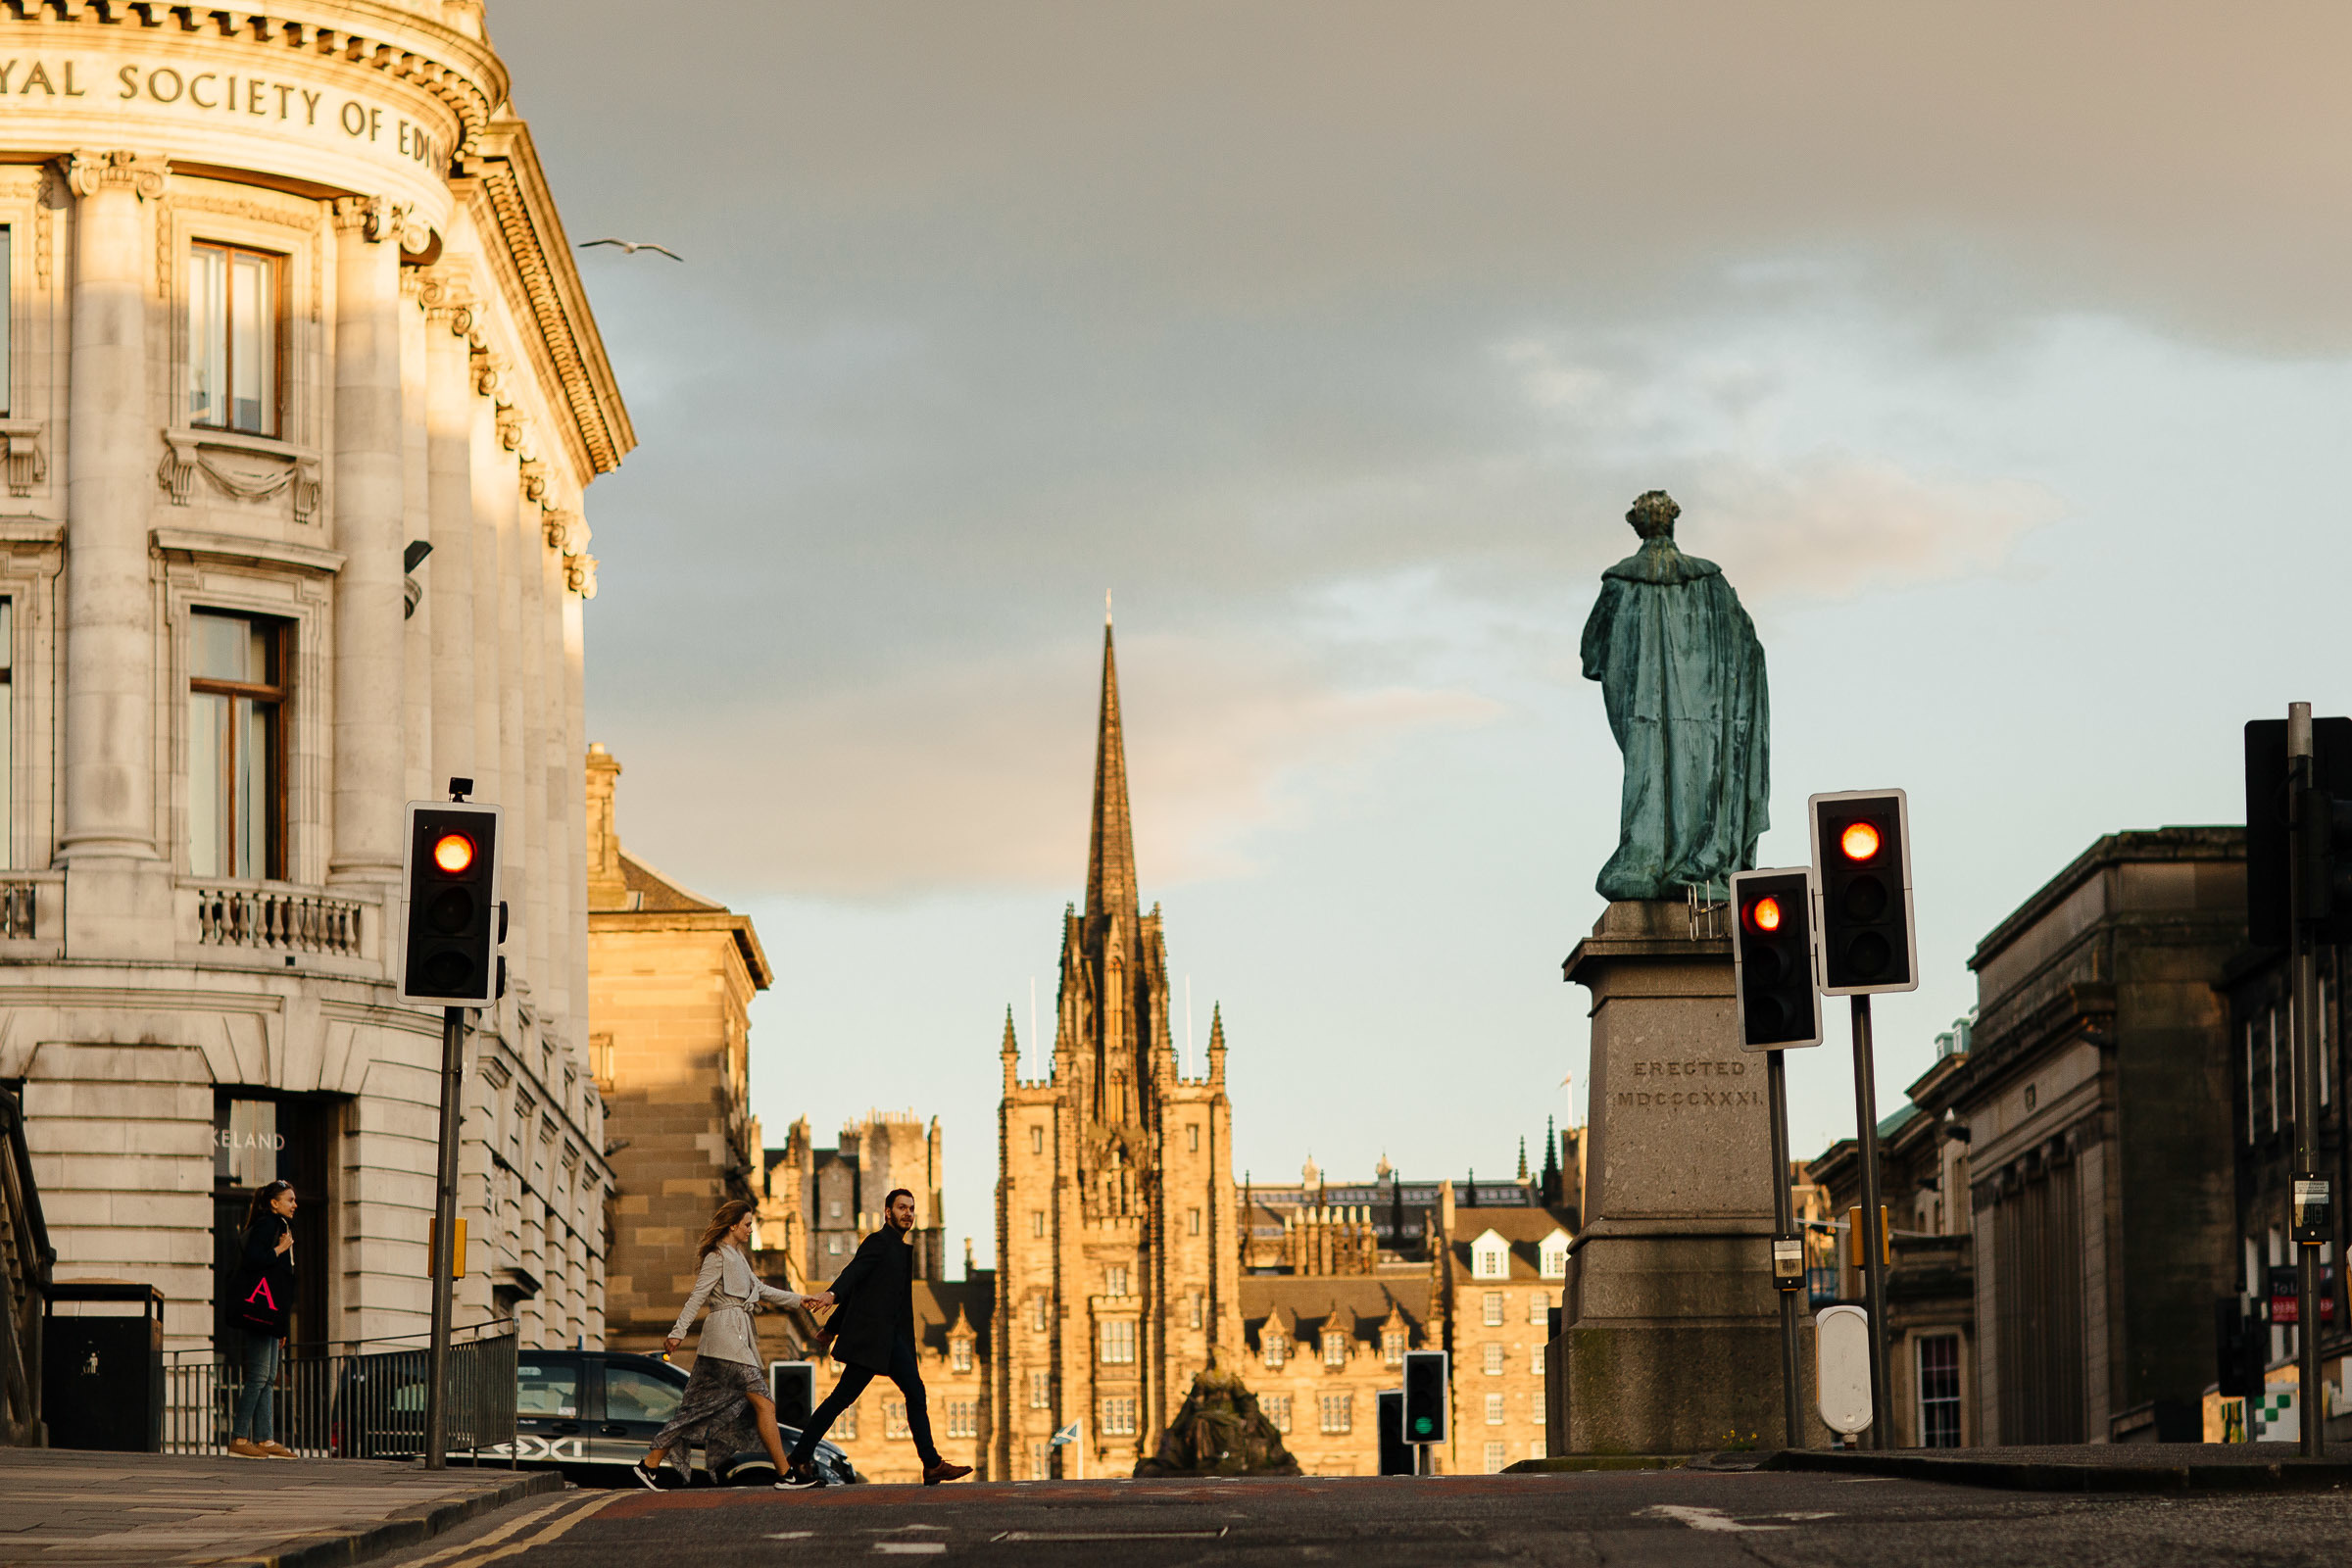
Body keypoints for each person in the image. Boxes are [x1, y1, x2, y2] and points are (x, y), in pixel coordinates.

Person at [633, 1199, 831, 1490]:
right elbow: (697, 1296)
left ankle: (649, 1465)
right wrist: (678, 1332)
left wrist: (799, 1299)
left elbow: (760, 1290)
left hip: (732, 1338)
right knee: (764, 1403)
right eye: (748, 1224)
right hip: (726, 1337)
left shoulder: (738, 1256)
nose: (751, 1230)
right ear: (733, 1225)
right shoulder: (717, 1257)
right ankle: (786, 1473)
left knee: (695, 1410)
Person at [783, 1188, 972, 1488]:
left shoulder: (898, 1248)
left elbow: (864, 1293)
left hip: (887, 1340)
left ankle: (931, 1464)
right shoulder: (879, 1242)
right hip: (874, 1340)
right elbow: (854, 1275)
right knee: (845, 1399)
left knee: (908, 1391)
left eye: (911, 1208)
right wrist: (832, 1295)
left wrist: (832, 1328)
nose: (907, 1213)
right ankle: (800, 1455)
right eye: (901, 1208)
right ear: (888, 1212)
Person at [227, 1180, 298, 1459]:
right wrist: (280, 1249)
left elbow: (278, 1282)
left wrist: (281, 1324)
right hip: (260, 1312)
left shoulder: (279, 1226)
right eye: (290, 1199)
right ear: (274, 1203)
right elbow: (255, 1260)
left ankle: (266, 1439)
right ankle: (240, 1437)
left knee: (269, 1376)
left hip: (270, 1312)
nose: (295, 1204)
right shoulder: (269, 1225)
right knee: (259, 1376)